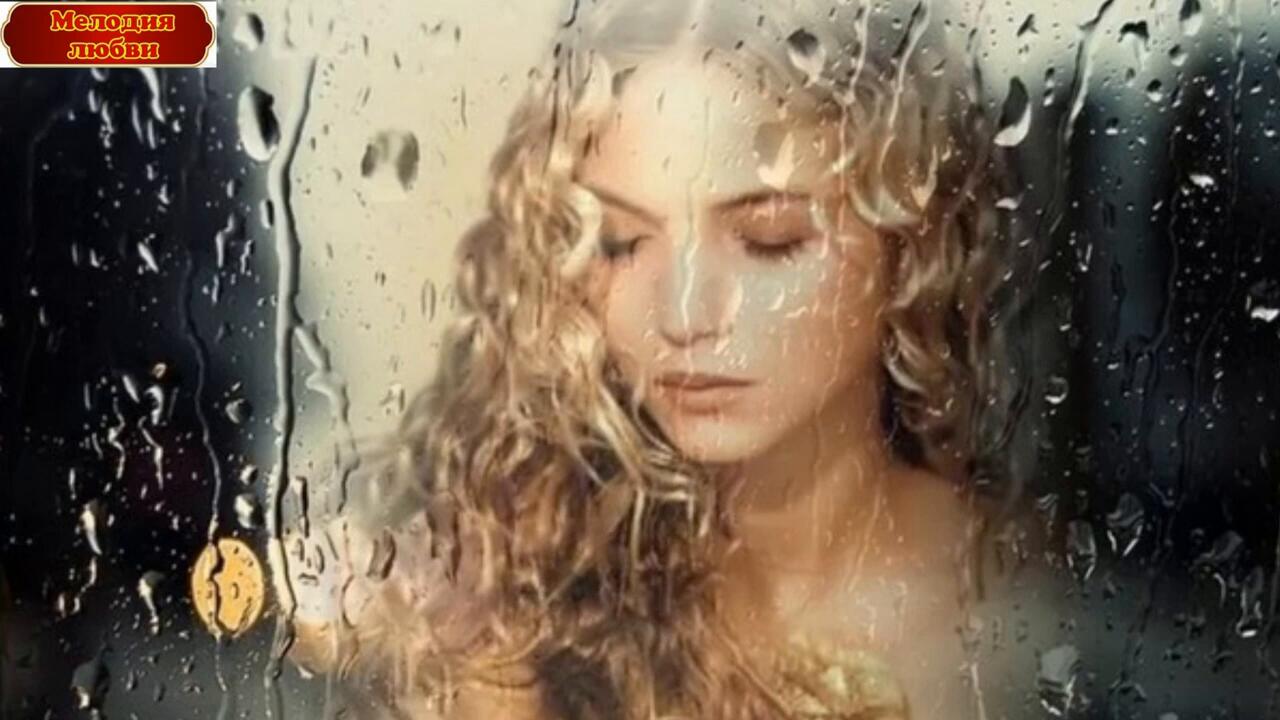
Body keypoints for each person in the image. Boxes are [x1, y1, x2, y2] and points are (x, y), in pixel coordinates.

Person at [274, 0, 1014, 717]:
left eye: (769, 239)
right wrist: (489, 679)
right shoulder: (556, 579)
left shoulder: (1023, 609)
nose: (683, 317)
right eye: (621, 243)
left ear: (910, 232)